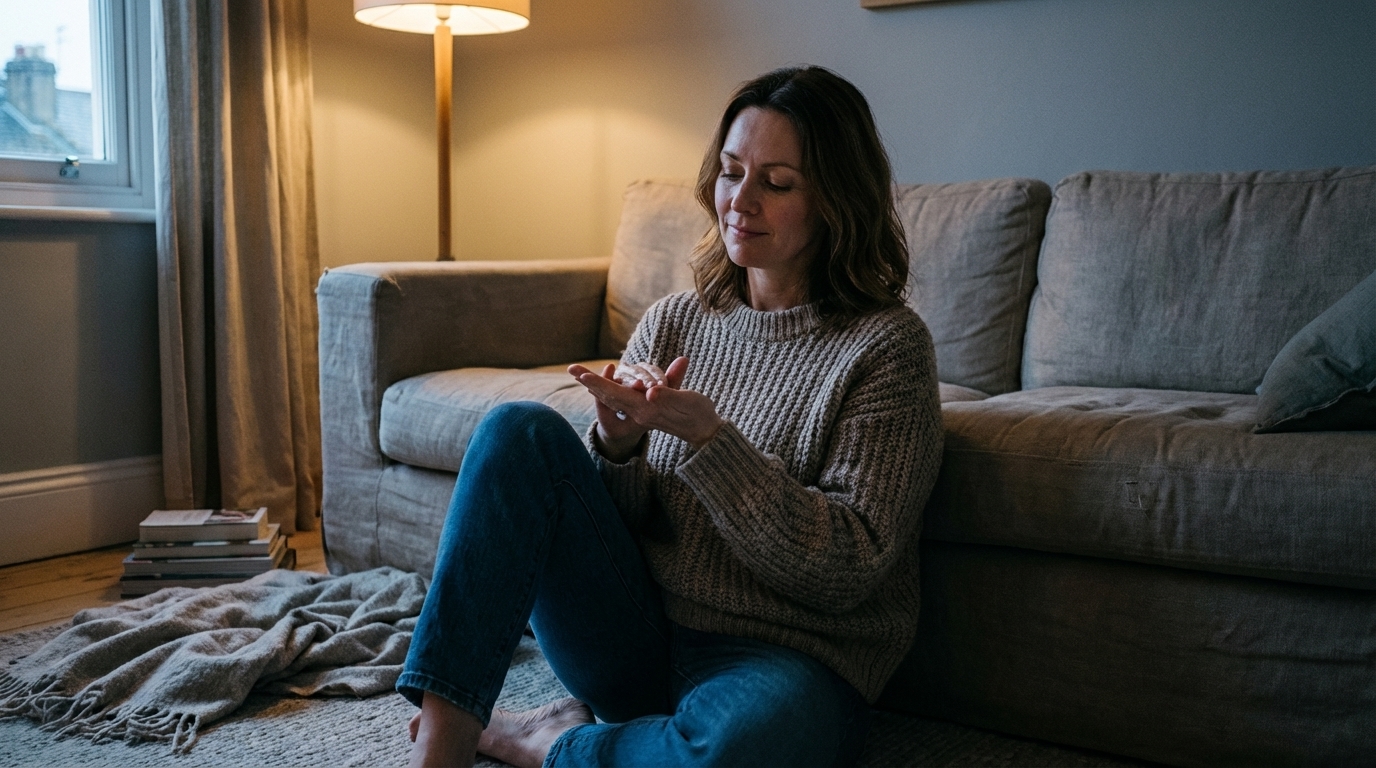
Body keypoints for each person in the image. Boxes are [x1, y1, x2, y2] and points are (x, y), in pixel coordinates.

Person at [399, 65, 943, 768]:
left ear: (836, 203)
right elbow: (619, 530)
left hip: (783, 663)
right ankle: (444, 744)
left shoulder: (888, 348)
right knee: (517, 433)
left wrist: (711, 442)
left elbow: (850, 567)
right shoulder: (676, 321)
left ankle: (544, 741)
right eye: (729, 172)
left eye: (776, 183)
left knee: (735, 752)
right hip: (638, 634)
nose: (739, 201)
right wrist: (620, 447)